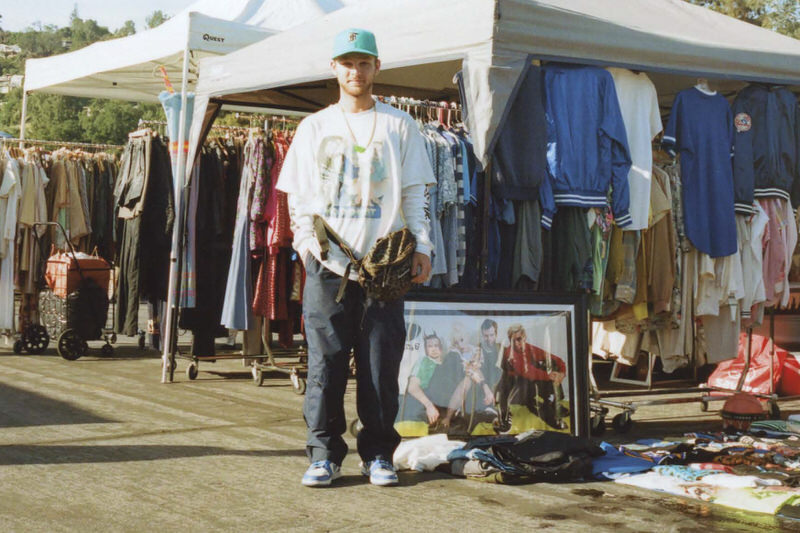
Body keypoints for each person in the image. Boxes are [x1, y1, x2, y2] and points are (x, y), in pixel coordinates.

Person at [276, 28, 435, 487]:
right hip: (329, 267)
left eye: (363, 62)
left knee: (380, 365)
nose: (355, 71)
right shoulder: (314, 127)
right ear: (334, 69)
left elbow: (413, 194)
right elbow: (298, 200)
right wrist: (308, 248)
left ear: (376, 67)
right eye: (347, 63)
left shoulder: (400, 125)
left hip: (384, 267)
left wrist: (422, 247)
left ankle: (379, 454)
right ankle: (323, 454)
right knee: (325, 365)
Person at [495, 324, 568, 431]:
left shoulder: (529, 348)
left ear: (525, 337)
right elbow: (527, 372)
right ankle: (505, 416)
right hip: (514, 387)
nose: (515, 343)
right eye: (512, 340)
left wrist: (562, 373)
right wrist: (550, 376)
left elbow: (556, 359)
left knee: (551, 364)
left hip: (528, 384)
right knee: (541, 372)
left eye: (519, 339)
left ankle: (552, 404)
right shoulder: (509, 352)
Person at [399, 333, 464, 428]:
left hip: (446, 410)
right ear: (425, 349)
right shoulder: (424, 362)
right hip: (423, 407)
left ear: (441, 348)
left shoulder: (451, 362)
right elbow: (412, 387)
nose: (433, 349)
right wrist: (429, 406)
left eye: (436, 346)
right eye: (429, 346)